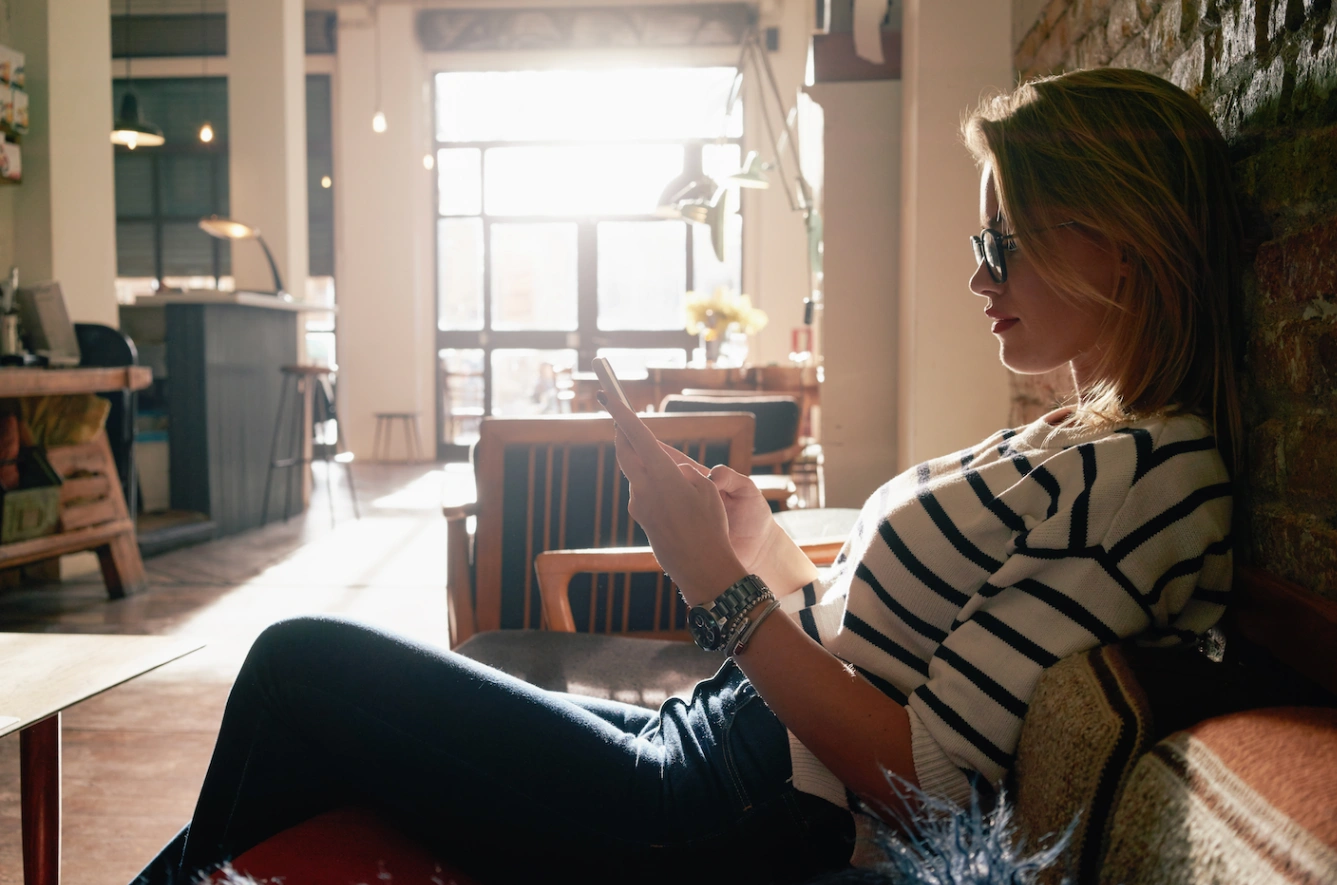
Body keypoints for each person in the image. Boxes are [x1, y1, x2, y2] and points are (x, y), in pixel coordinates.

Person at [131, 67, 1239, 885]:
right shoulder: (1083, 442)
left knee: (294, 668)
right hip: (718, 750)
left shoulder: (1150, 476)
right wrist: (761, 549)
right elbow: (890, 659)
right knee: (330, 731)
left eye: (1002, 243)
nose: (973, 273)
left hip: (724, 812)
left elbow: (934, 783)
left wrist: (719, 588)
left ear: (1120, 244)